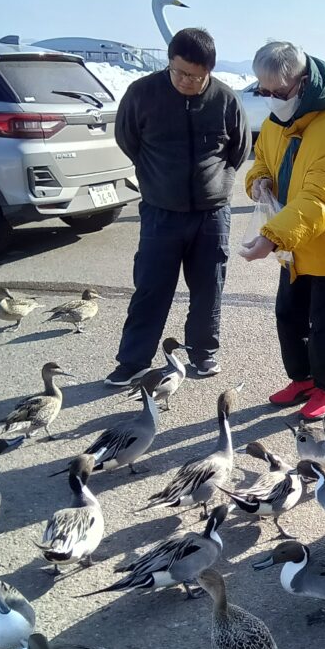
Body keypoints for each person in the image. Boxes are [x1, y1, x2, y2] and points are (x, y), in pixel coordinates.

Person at [107, 28, 250, 386]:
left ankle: (203, 352)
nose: (186, 81)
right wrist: (159, 178)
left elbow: (239, 148)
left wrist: (215, 183)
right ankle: (133, 362)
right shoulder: (142, 94)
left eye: (196, 76)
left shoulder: (225, 99)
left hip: (211, 214)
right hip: (161, 211)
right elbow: (127, 139)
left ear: (209, 71)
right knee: (151, 288)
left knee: (208, 288)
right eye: (179, 72)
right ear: (169, 62)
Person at [241, 42, 325, 420]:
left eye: (278, 92)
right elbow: (262, 160)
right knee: (289, 315)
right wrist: (259, 182)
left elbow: (322, 198)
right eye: (263, 91)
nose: (271, 99)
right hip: (293, 241)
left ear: (302, 83)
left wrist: (272, 237)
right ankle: (302, 379)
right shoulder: (277, 121)